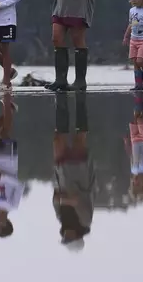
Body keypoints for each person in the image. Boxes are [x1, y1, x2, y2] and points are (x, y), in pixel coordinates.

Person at [52, 93, 95, 251]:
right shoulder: (85, 221)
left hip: (61, 174)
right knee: (79, 137)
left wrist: (62, 199)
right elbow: (77, 200)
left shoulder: (60, 219)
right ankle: (80, 99)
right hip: (79, 173)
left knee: (58, 138)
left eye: (64, 239)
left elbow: (55, 200)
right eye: (68, 239)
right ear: (77, 236)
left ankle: (61, 100)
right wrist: (65, 199)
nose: (65, 236)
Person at [0, 93, 25, 238]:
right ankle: (8, 105)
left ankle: (10, 109)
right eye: (1, 226)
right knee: (4, 132)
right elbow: (19, 185)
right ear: (7, 223)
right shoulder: (12, 205)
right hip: (9, 161)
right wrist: (3, 177)